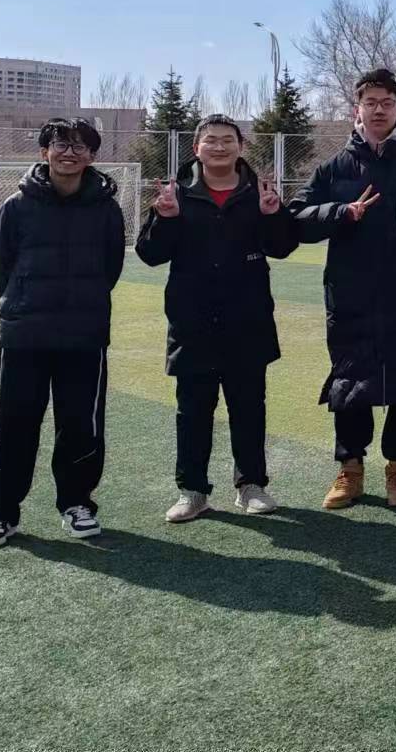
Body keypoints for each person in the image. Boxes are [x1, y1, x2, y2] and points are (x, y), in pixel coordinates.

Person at [291, 69, 396, 510]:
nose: (379, 110)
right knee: (350, 383)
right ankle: (350, 470)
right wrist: (341, 213)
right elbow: (297, 219)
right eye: (371, 103)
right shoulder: (334, 168)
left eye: (387, 102)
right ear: (357, 110)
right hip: (352, 296)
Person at [136, 114, 299, 522]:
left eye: (228, 140)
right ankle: (192, 491)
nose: (220, 146)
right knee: (193, 412)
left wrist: (273, 214)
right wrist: (164, 219)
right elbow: (150, 254)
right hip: (193, 323)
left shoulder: (258, 192)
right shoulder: (176, 193)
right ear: (197, 149)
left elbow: (282, 246)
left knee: (249, 408)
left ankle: (251, 485)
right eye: (211, 140)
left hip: (248, 322)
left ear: (241, 147)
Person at [0, 118, 126, 548]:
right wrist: (24, 301)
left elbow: (111, 268)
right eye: (61, 144)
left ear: (92, 156)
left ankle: (77, 504)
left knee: (81, 425)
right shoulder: (16, 206)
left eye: (80, 146)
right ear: (44, 152)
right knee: (15, 423)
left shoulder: (106, 209)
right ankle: (1, 513)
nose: (69, 153)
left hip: (84, 335)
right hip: (25, 334)